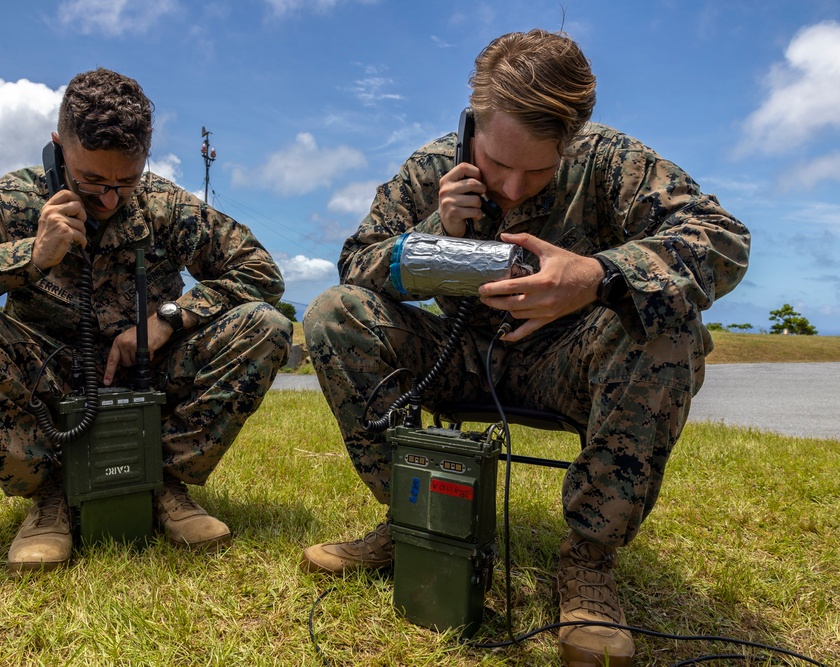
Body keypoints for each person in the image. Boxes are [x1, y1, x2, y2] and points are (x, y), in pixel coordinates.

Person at [299, 30, 749, 666]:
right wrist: (435, 233)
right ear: (472, 123)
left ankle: (588, 563)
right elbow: (356, 263)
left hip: (567, 363)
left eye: (537, 171)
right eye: (495, 164)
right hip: (459, 357)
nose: (510, 189)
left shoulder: (611, 160)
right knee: (334, 316)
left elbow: (723, 240)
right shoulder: (431, 167)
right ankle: (415, 521)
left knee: (670, 326)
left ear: (571, 141)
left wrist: (597, 276)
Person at [0, 68, 291, 572]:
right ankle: (51, 496)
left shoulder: (167, 205)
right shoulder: (14, 199)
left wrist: (169, 318)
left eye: (126, 181)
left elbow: (261, 273)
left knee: (265, 325)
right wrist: (29, 255)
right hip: (47, 381)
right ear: (58, 147)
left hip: (148, 375)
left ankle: (163, 483)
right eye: (92, 180)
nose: (110, 199)